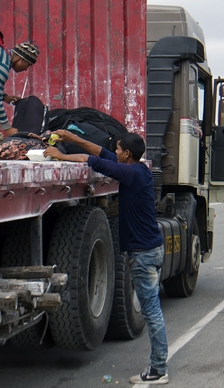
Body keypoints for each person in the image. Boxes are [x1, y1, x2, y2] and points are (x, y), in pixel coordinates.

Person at [43, 130, 169, 385]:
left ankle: (158, 369)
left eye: (119, 148)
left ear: (128, 155)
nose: (116, 150)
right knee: (152, 309)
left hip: (143, 254)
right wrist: (72, 138)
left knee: (151, 311)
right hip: (150, 249)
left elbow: (95, 162)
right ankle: (159, 365)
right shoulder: (138, 168)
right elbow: (101, 153)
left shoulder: (130, 173)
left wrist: (59, 155)